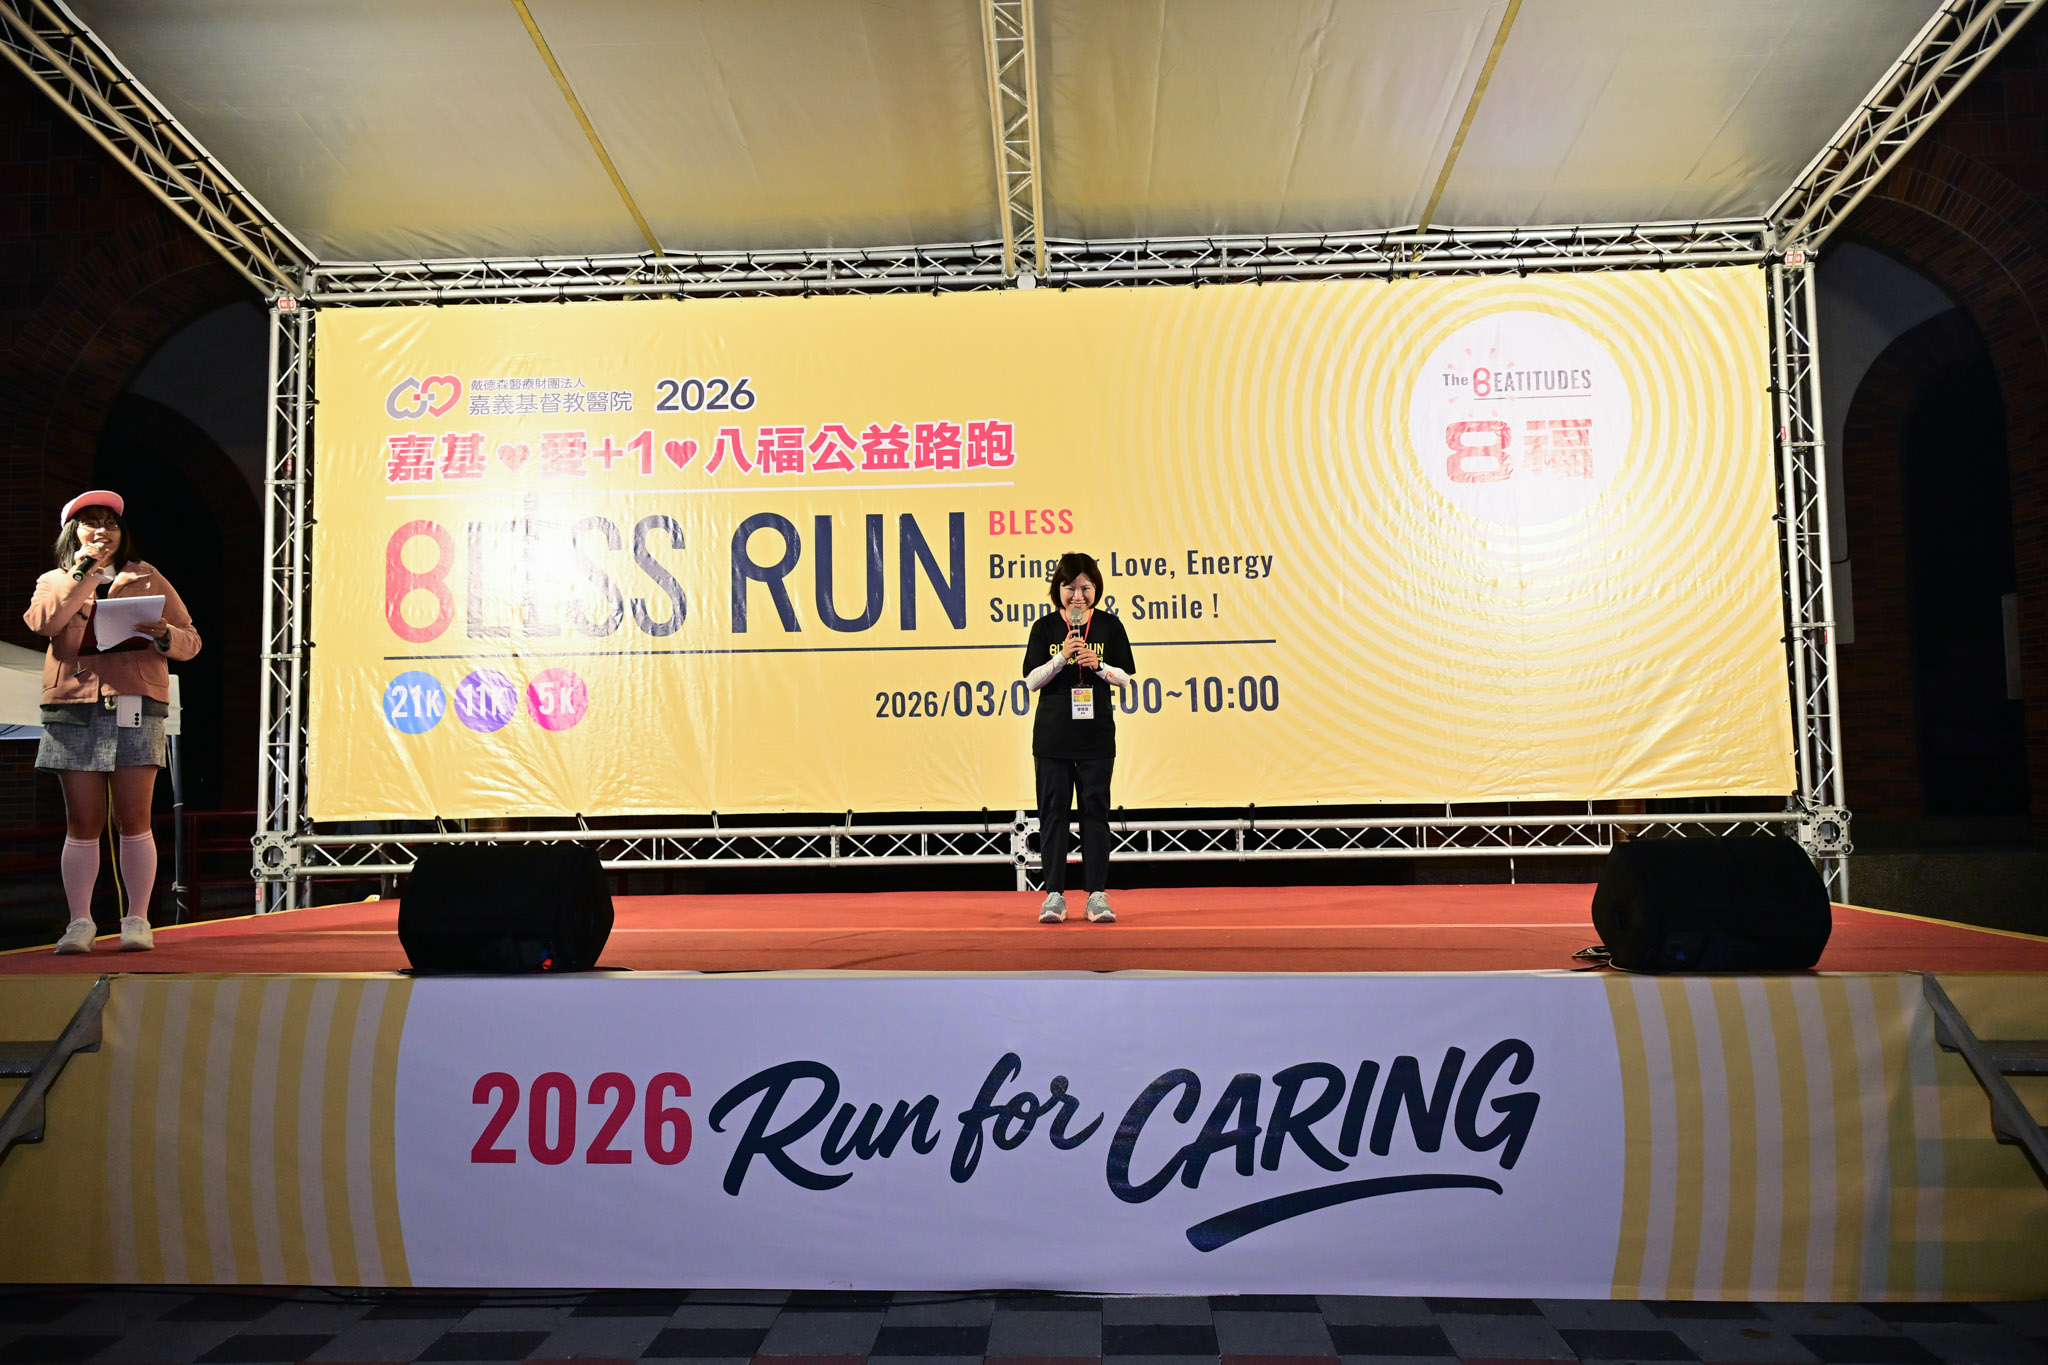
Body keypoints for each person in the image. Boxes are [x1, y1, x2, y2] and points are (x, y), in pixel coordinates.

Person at [24, 491, 200, 953]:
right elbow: (43, 623)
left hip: (135, 700)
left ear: (123, 534)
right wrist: (81, 574)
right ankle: (79, 923)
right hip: (74, 704)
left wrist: (165, 636)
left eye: (111, 523)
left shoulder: (146, 576)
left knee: (134, 817)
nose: (102, 531)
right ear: (73, 533)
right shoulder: (55, 580)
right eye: (91, 522)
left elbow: (191, 639)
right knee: (83, 821)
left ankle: (137, 919)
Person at [1021, 552, 1136, 924]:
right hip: (1053, 738)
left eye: (1085, 588)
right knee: (1052, 815)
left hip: (1096, 736)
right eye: (1070, 588)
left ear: (1096, 588)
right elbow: (1031, 680)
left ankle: (1096, 895)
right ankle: (1054, 895)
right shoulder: (1044, 628)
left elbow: (1126, 678)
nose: (1078, 596)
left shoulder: (1109, 626)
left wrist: (1098, 666)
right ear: (1058, 589)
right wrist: (1061, 658)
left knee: (1095, 814)